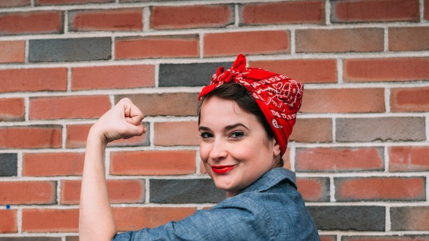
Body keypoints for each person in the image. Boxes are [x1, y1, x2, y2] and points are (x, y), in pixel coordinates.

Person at [79, 54, 320, 241]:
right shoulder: (283, 203)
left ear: (276, 143)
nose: (215, 152)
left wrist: (96, 137)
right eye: (207, 135)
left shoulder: (251, 217)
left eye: (236, 134)